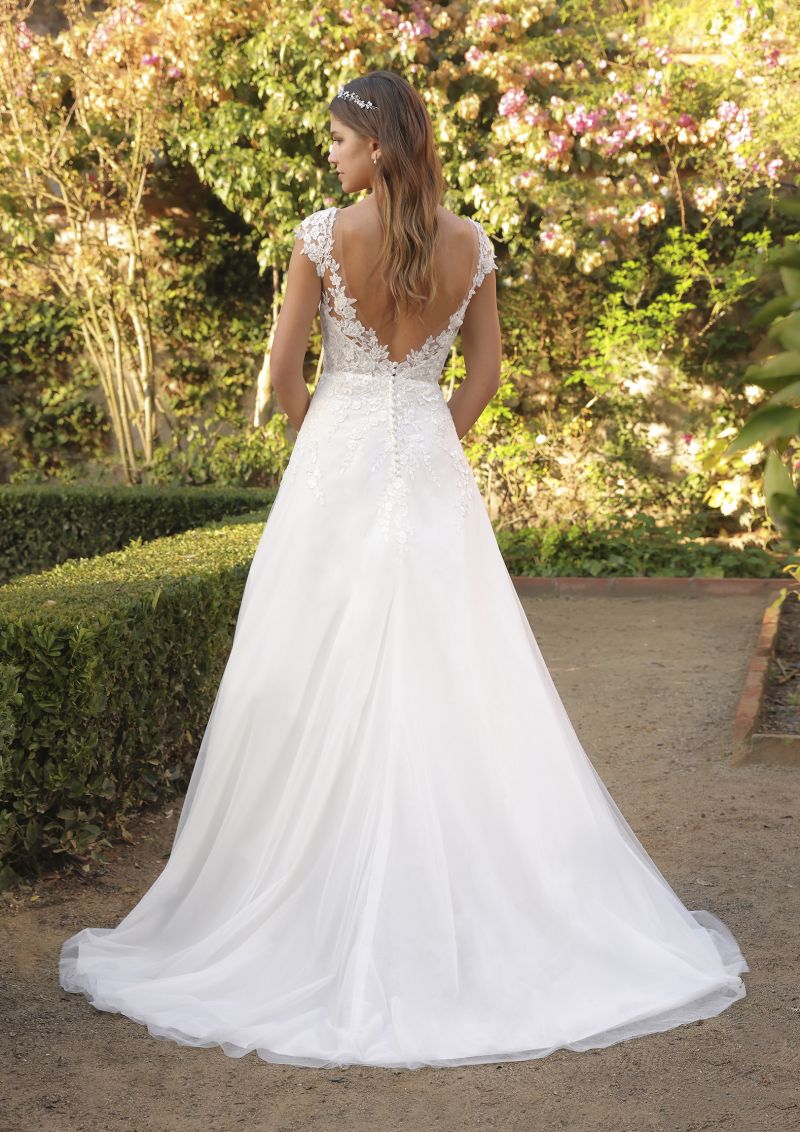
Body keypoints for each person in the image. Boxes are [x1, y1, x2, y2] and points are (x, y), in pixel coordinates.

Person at [59, 70, 748, 1071]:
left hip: (336, 469)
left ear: (377, 145)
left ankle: (305, 895)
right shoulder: (470, 243)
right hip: (427, 466)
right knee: (453, 672)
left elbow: (285, 374)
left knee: (308, 668)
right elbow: (487, 376)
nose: (330, 155)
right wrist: (427, 439)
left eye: (340, 140)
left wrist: (330, 444)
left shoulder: (320, 236)